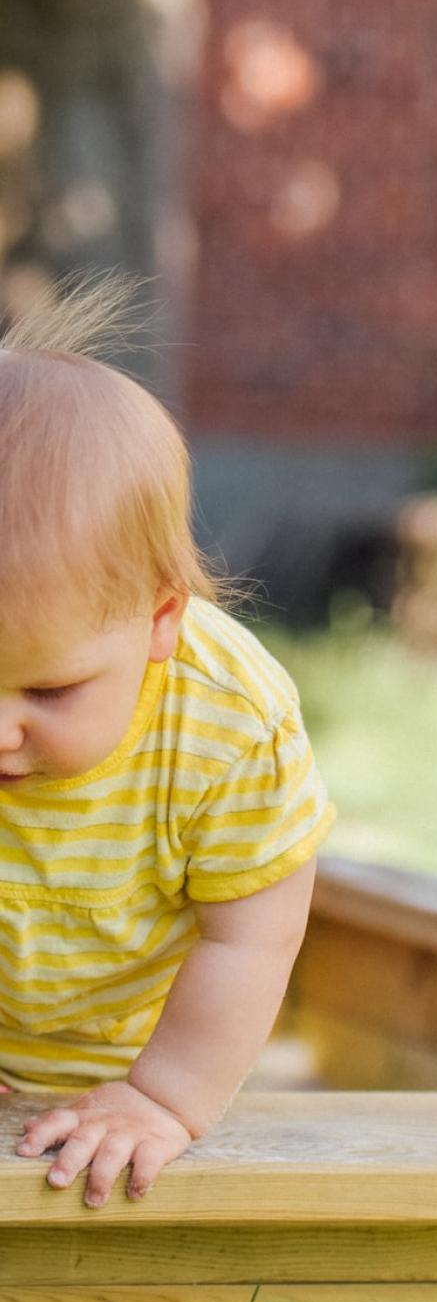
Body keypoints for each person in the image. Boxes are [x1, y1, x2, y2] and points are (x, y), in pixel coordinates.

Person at [0, 280, 335, 1207]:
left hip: (149, 1044)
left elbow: (251, 936)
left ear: (158, 622)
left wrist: (163, 1096)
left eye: (50, 688)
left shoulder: (227, 722)